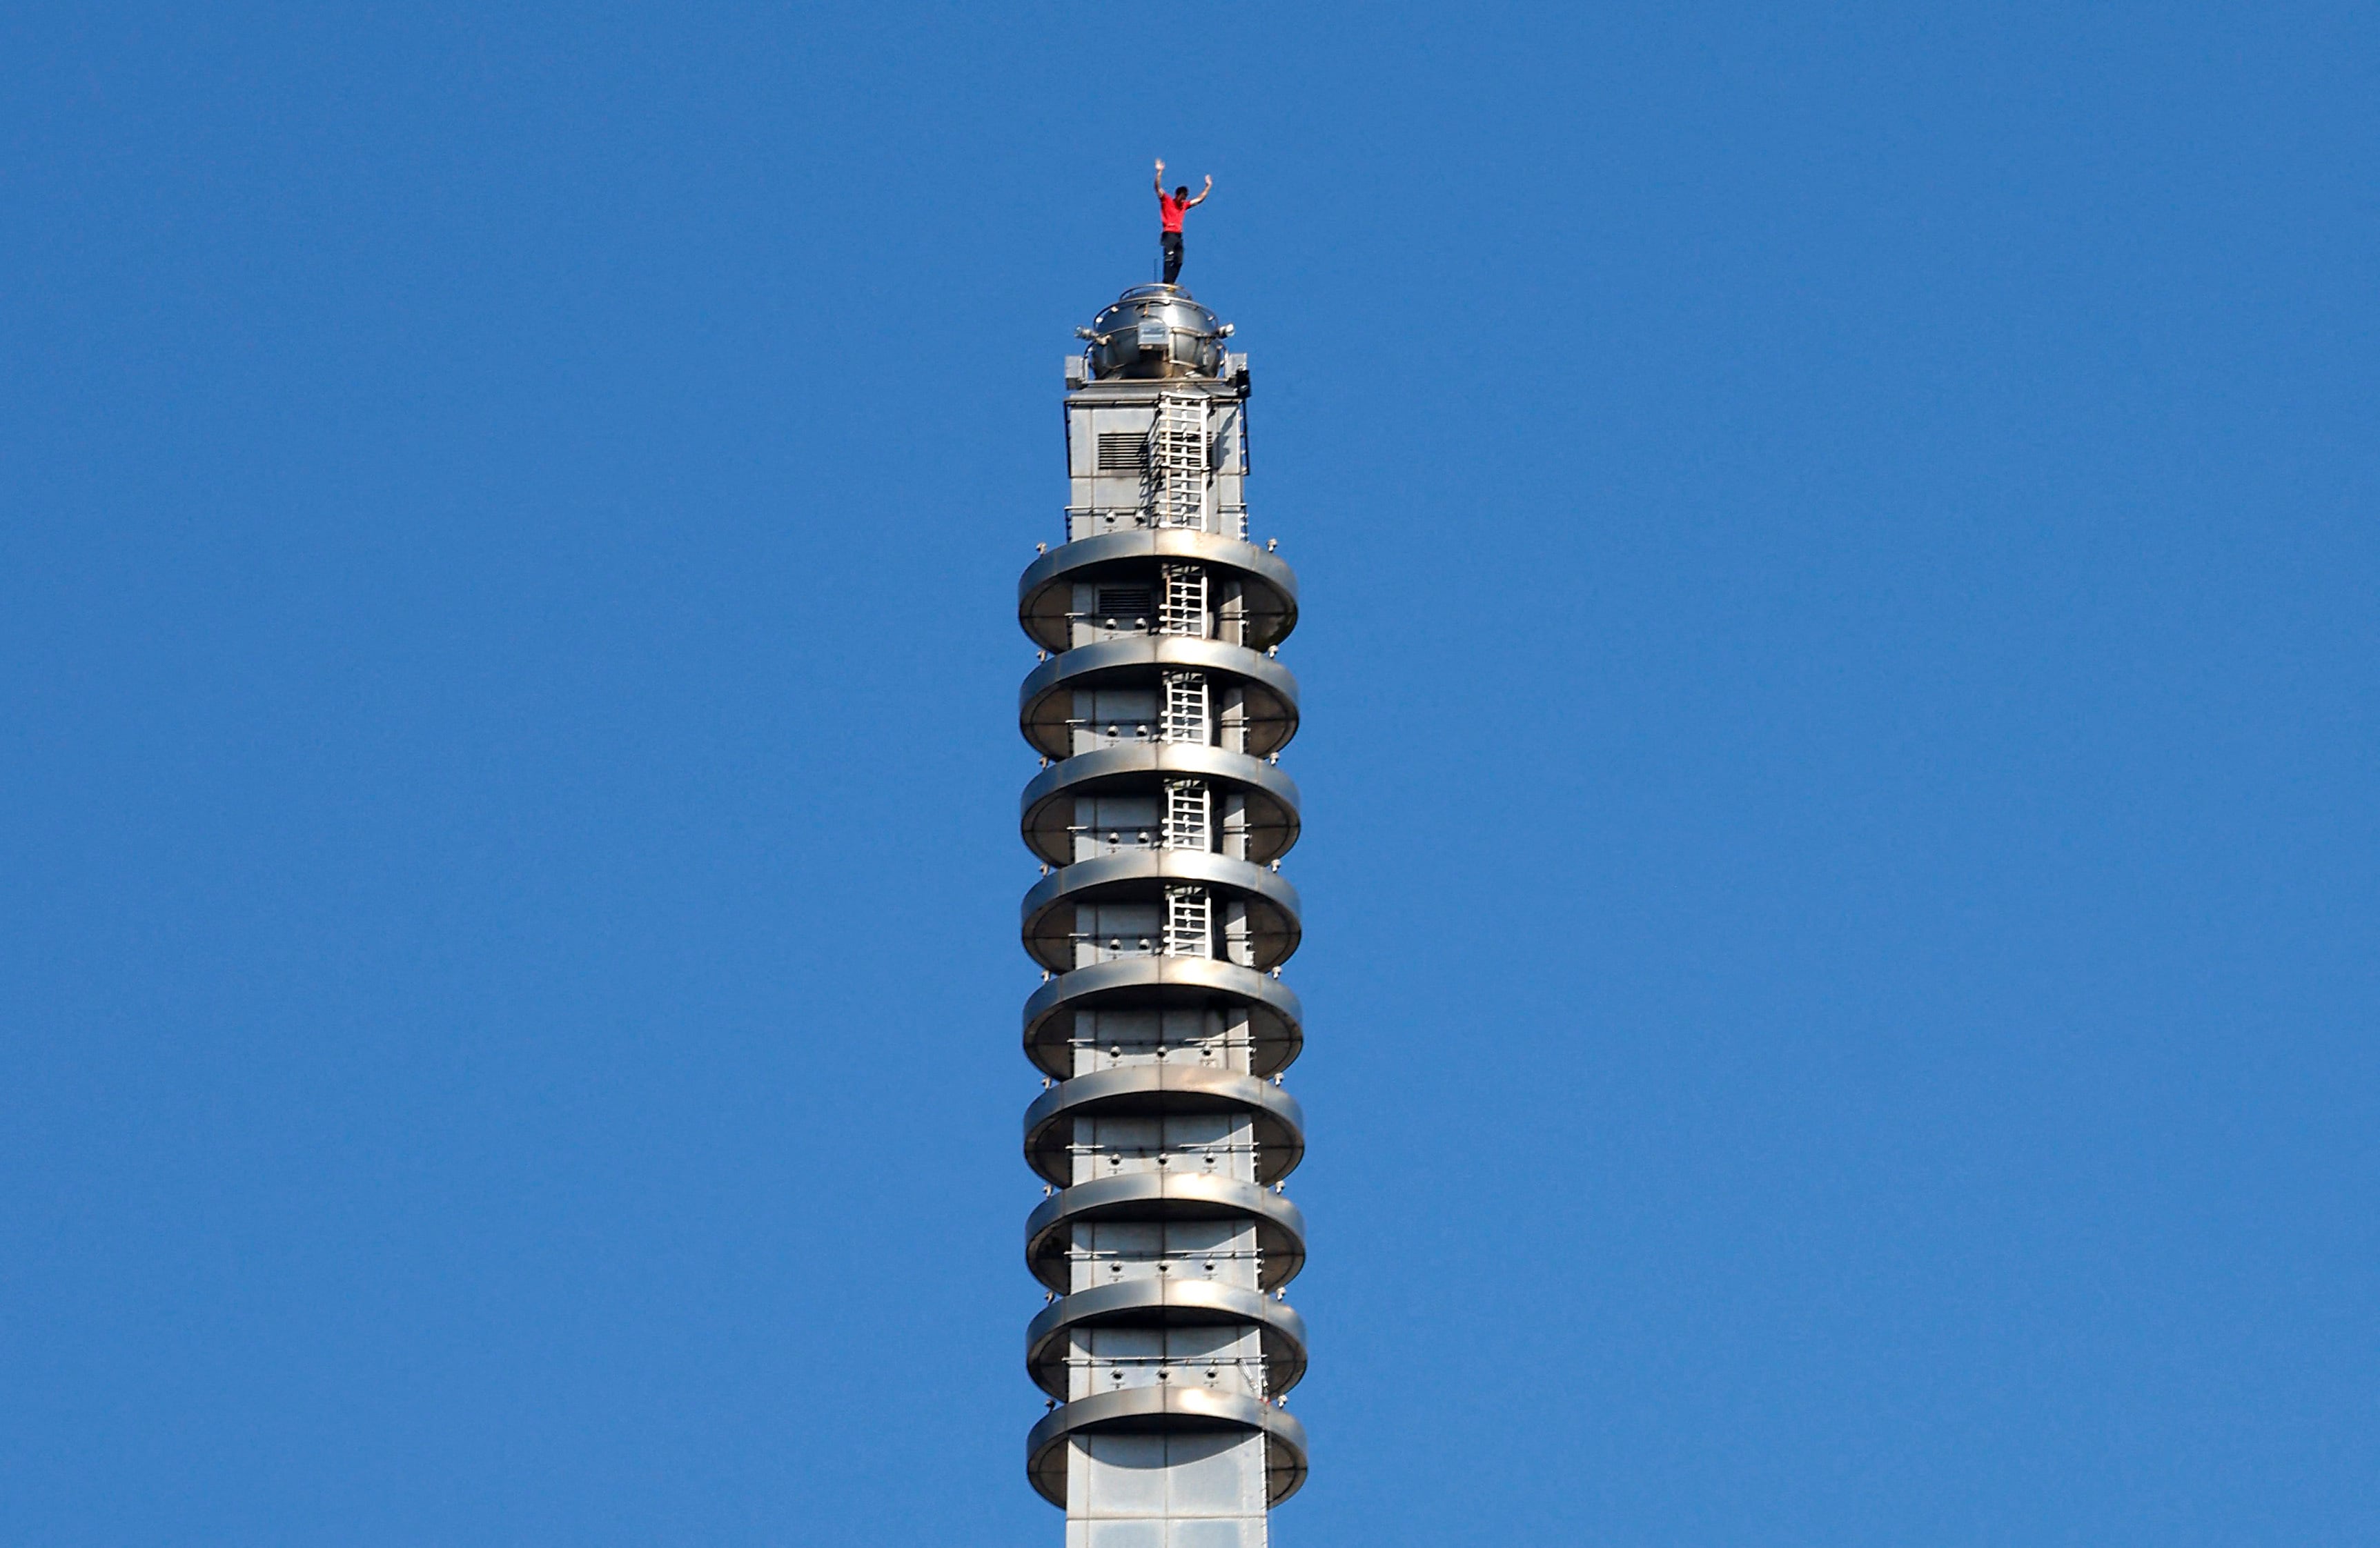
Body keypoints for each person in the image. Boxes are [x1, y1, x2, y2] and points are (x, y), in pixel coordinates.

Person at [1154, 159, 1212, 286]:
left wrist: (1208, 187)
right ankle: (1167, 282)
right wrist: (1159, 172)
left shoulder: (1184, 205)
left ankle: (1170, 283)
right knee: (1169, 257)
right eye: (1181, 197)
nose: (1183, 200)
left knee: (1179, 260)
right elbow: (1157, 187)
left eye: (1185, 198)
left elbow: (1199, 199)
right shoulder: (1167, 201)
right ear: (1177, 195)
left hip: (1179, 235)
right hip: (1169, 233)